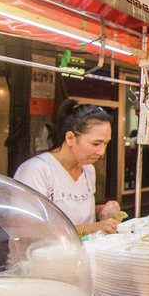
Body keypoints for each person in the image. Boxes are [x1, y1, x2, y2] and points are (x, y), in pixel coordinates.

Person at [14, 100, 121, 236]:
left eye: (105, 144)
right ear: (70, 138)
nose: (101, 152)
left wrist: (102, 210)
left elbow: (73, 211)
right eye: (96, 144)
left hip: (81, 254)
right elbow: (28, 230)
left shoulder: (88, 169)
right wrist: (88, 229)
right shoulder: (36, 170)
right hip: (42, 256)